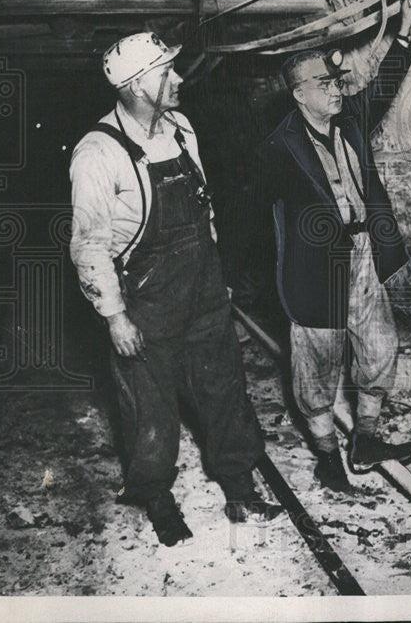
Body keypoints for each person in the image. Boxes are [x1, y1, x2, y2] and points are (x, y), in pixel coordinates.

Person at [70, 32, 282, 546]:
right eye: (169, 71)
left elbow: (204, 211)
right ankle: (156, 496)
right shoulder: (98, 153)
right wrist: (115, 316)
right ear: (140, 85)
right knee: (150, 405)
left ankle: (238, 481)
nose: (181, 79)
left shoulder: (181, 129)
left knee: (225, 386)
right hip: (145, 297)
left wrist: (218, 279)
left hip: (202, 286)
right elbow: (89, 245)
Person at [255, 0, 411, 493]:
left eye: (335, 81)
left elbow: (384, 84)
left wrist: (404, 29)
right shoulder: (277, 149)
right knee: (317, 366)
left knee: (380, 347)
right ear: (299, 94)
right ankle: (328, 454)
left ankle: (366, 438)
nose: (336, 89)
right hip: (315, 270)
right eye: (324, 84)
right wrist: (278, 273)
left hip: (364, 253)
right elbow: (258, 219)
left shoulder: (349, 122)